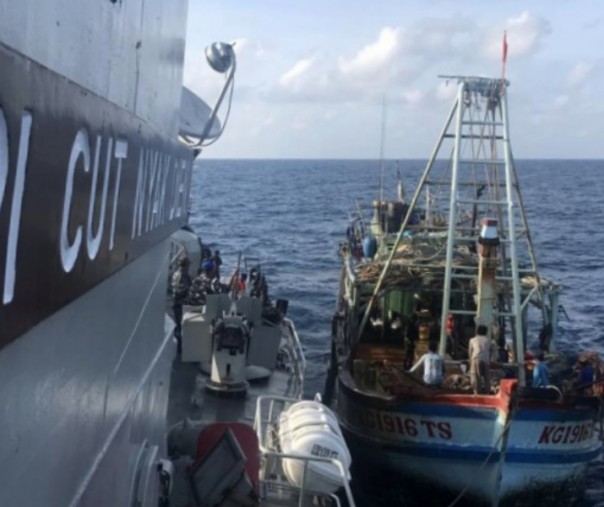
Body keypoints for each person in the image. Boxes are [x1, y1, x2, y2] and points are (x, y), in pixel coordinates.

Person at [171, 256, 191, 353]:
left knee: (178, 325)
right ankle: (180, 348)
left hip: (176, 302)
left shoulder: (175, 273)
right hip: (182, 304)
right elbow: (182, 289)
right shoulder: (184, 275)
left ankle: (178, 347)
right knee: (182, 326)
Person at [468, 324, 491, 394]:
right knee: (486, 377)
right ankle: (487, 392)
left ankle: (477, 392)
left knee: (476, 376)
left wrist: (470, 360)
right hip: (486, 360)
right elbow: (491, 350)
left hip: (476, 359)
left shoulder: (472, 340)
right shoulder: (488, 340)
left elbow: (470, 351)